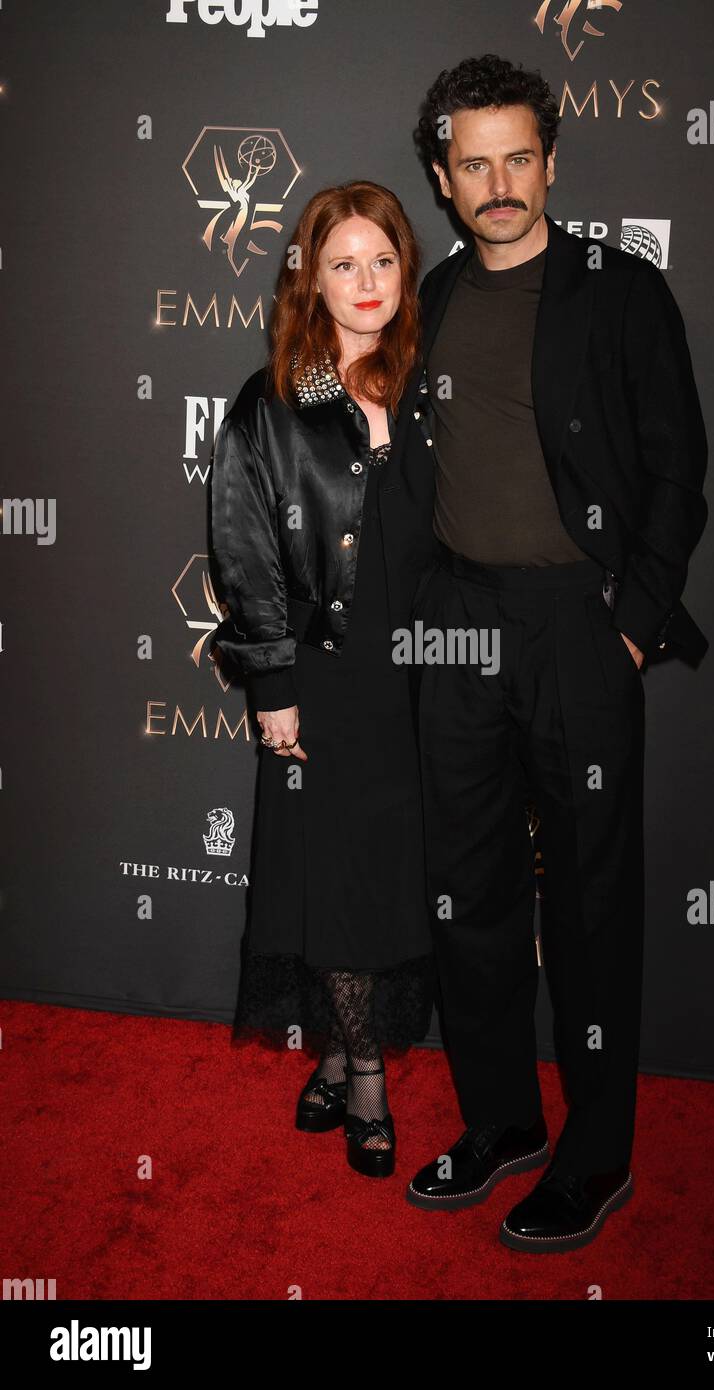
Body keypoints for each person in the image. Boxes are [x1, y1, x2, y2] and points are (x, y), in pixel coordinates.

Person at [397, 55, 709, 1248]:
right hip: (459, 623)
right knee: (467, 896)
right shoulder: (429, 295)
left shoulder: (621, 293)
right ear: (442, 177)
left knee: (585, 905)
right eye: (472, 163)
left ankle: (595, 1153)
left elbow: (677, 474)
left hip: (583, 626)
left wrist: (631, 624)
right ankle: (502, 1122)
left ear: (551, 162)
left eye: (516, 157)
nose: (498, 182)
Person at [209, 181, 438, 1179]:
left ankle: (339, 1053)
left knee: (387, 881)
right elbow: (244, 549)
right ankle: (370, 1081)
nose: (365, 281)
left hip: (423, 681)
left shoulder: (433, 383)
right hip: (322, 674)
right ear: (309, 277)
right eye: (342, 262)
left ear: (405, 270)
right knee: (334, 880)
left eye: (381, 260)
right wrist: (271, 686)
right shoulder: (274, 401)